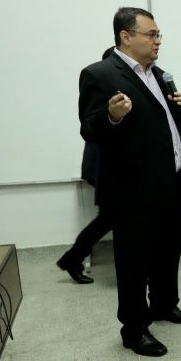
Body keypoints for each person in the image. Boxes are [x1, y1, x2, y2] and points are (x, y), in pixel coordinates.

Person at [78, 7, 181, 357]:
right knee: (134, 262)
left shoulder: (159, 75)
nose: (158, 41)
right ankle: (134, 329)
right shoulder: (99, 74)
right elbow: (89, 129)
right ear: (126, 36)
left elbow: (173, 124)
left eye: (159, 34)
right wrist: (111, 116)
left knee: (167, 252)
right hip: (132, 191)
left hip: (170, 184)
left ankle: (164, 304)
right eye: (151, 34)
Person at [57, 47, 116, 285]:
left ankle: (72, 259)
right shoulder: (106, 90)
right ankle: (72, 258)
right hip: (105, 168)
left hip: (103, 167)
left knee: (109, 218)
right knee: (110, 218)